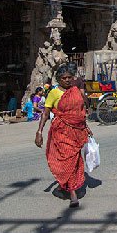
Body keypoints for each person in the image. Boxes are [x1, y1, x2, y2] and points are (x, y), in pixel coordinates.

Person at [35, 64, 93, 208]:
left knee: (74, 161)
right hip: (61, 131)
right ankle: (73, 193)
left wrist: (87, 127)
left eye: (69, 78)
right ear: (59, 79)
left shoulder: (76, 91)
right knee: (67, 159)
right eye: (63, 78)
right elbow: (46, 113)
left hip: (76, 132)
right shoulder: (54, 93)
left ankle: (64, 186)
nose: (67, 80)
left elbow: (80, 113)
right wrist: (39, 132)